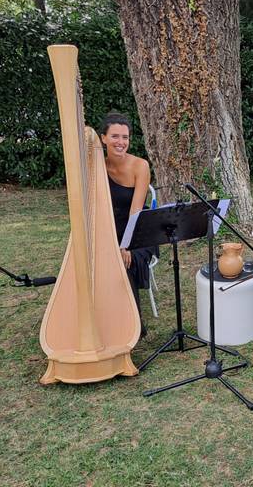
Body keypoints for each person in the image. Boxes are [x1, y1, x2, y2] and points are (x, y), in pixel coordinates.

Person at [99, 111, 158, 338]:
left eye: (125, 137)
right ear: (103, 139)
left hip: (137, 232)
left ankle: (132, 324)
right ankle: (104, 317)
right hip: (107, 231)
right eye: (115, 136)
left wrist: (124, 246)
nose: (121, 142)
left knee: (123, 260)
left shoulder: (140, 166)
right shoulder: (96, 167)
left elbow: (136, 212)